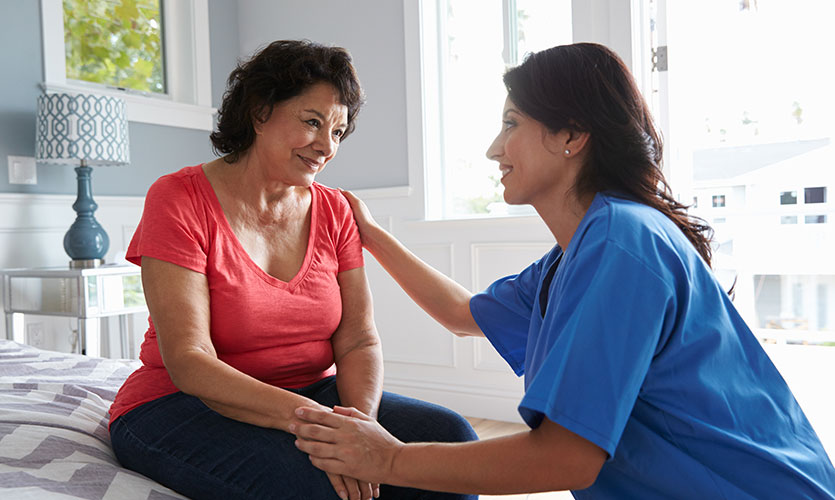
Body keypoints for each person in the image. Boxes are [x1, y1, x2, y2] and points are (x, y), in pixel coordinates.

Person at [292, 42, 835, 498]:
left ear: (572, 136)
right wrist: (372, 233)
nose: (492, 149)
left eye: (511, 124)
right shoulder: (579, 251)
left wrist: (388, 461)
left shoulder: (622, 244)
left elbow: (565, 459)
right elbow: (461, 314)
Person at [108, 40, 477, 500]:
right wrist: (320, 426)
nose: (326, 146)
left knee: (451, 439)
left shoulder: (336, 209)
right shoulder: (178, 198)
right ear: (260, 111)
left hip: (308, 397)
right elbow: (189, 360)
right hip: (180, 405)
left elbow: (359, 339)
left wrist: (357, 429)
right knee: (311, 484)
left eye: (339, 132)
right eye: (312, 122)